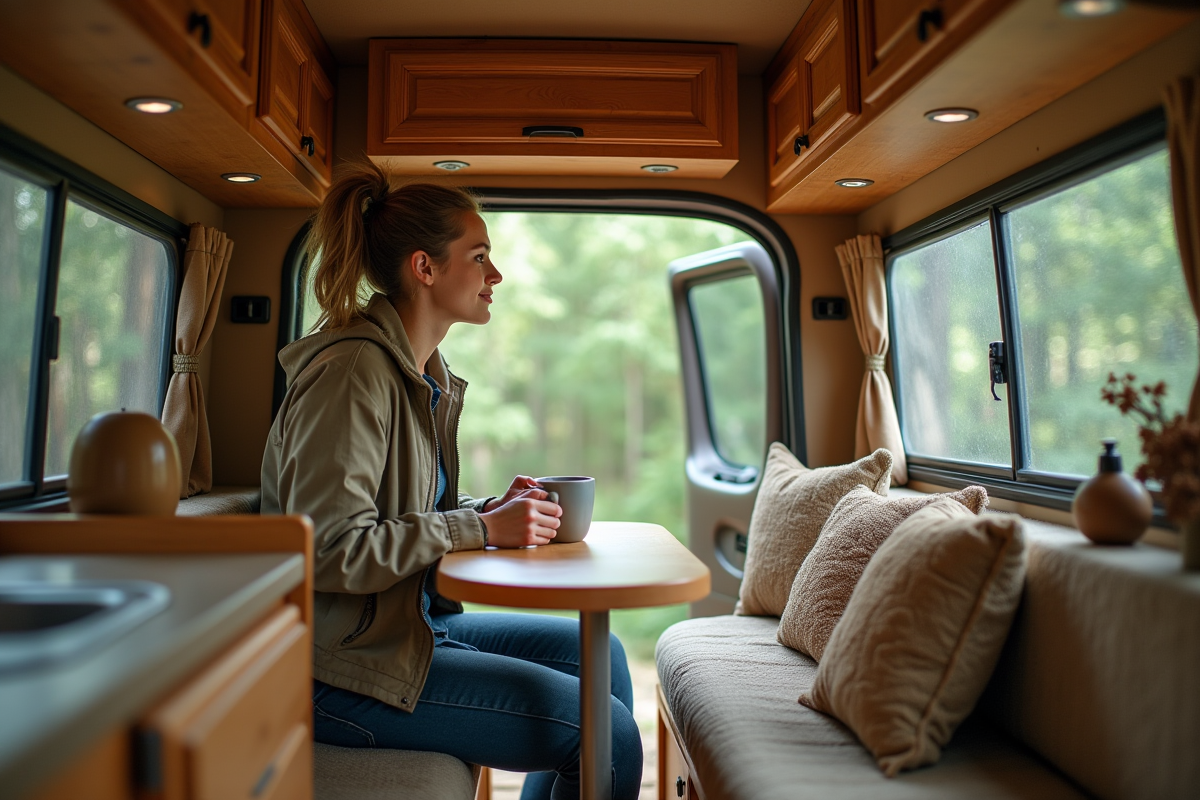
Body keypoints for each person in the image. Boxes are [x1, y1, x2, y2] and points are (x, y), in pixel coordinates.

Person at [260, 163, 642, 800]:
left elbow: (401, 506)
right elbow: (328, 548)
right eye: (480, 256)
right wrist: (480, 528)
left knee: (603, 656)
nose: (496, 275)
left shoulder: (416, 371)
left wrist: (488, 508)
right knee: (612, 734)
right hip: (335, 670)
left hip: (403, 628)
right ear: (425, 268)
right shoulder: (353, 374)